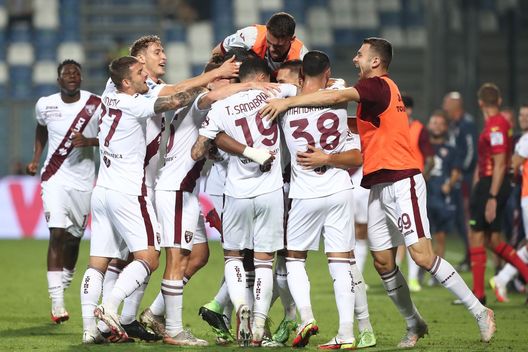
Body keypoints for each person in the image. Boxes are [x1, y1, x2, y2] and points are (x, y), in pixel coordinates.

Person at [260, 37, 496, 346]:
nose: (355, 59)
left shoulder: (377, 85)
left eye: (360, 55)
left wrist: (287, 102)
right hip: (378, 184)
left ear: (375, 61)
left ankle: (480, 311)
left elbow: (335, 98)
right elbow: (356, 124)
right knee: (383, 262)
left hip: (402, 180)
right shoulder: (376, 96)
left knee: (422, 256)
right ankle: (414, 323)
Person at [79, 56, 207, 344]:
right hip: (129, 192)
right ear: (127, 81)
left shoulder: (109, 93)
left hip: (102, 191)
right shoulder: (133, 104)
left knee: (97, 263)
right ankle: (111, 308)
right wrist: (208, 84)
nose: (146, 77)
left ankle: (90, 330)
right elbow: (174, 101)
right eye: (140, 73)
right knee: (149, 257)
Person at [192, 57, 297, 346]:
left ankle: (240, 308)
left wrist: (213, 144)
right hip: (271, 191)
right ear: (264, 77)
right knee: (264, 262)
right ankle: (260, 324)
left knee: (234, 257)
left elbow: (197, 151)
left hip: (235, 192)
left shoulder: (221, 107)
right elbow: (299, 89)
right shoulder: (276, 93)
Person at [276, 50, 364, 349]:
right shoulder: (339, 97)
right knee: (340, 262)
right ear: (327, 73)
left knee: (294, 259)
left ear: (300, 76)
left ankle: (307, 317)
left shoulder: (286, 103)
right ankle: (347, 333)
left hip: (305, 193)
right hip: (339, 189)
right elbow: (356, 156)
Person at [26, 60, 100, 324]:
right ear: (59, 80)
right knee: (57, 232)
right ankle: (57, 303)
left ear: (80, 78)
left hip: (83, 182)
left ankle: (63, 283)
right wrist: (36, 158)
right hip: (54, 177)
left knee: (73, 239)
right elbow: (41, 128)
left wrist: (90, 141)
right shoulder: (45, 104)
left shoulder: (96, 104)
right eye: (66, 73)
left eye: (76, 73)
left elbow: (114, 135)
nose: (71, 76)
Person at [464, 88, 528, 305]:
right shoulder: (499, 123)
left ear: (480, 103)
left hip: (491, 184)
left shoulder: (495, 125)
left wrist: (491, 196)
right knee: (494, 240)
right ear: (499, 100)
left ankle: (479, 295)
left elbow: (501, 163)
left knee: (476, 236)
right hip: (494, 184)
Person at [490, 103, 528, 302]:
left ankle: (503, 278)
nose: (523, 118)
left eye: (525, 115)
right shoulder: (525, 140)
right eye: (521, 114)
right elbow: (513, 167)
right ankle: (505, 279)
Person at [401, 94, 434, 292]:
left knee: (413, 235)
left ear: (410, 110)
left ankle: (413, 278)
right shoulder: (394, 129)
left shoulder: (419, 130)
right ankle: (401, 278)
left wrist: (423, 178)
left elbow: (430, 159)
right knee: (398, 236)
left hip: (412, 185)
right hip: (395, 184)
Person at [443, 91, 478, 271]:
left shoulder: (466, 123)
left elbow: (471, 151)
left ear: (456, 104)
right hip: (456, 177)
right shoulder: (454, 125)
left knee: (466, 218)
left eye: (447, 103)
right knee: (459, 219)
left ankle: (473, 256)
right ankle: (468, 255)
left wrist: (462, 170)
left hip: (465, 178)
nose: (444, 107)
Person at [211, 12, 308, 75]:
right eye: (269, 42)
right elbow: (217, 52)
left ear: (292, 40)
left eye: (279, 46)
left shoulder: (301, 57)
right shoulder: (250, 35)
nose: (272, 49)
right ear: (266, 31)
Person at [426, 110, 460, 284]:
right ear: (429, 125)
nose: (437, 126)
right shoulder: (423, 146)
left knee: (440, 236)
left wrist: (450, 184)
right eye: (434, 123)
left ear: (446, 127)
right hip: (423, 195)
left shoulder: (450, 149)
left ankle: (436, 276)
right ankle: (417, 272)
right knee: (422, 237)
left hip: (441, 197)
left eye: (440, 123)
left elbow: (456, 171)